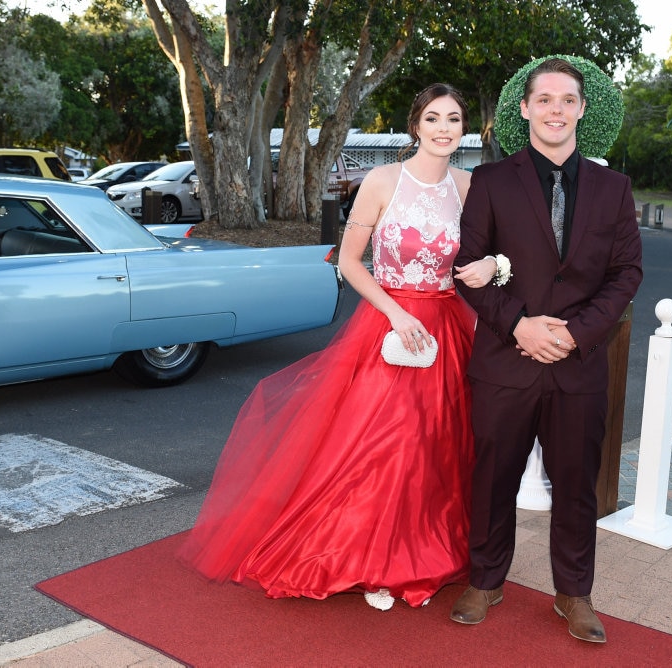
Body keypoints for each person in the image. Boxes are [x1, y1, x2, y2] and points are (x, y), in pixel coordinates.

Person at [177, 84, 498, 611]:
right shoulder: (381, 181)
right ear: (416, 125)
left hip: (446, 326)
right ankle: (372, 560)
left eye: (455, 119)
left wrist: (494, 266)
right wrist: (394, 313)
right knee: (381, 444)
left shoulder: (470, 187)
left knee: (438, 446)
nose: (444, 128)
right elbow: (349, 262)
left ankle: (416, 550)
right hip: (388, 323)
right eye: (434, 118)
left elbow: (490, 257)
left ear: (464, 130)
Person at [450, 57, 643, 643]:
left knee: (577, 483)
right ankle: (486, 580)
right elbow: (468, 270)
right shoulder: (489, 181)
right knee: (492, 479)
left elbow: (626, 273)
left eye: (567, 100)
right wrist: (520, 328)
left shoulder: (615, 188)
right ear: (527, 108)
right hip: (505, 363)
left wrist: (575, 334)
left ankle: (574, 593)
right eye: (545, 99)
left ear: (582, 109)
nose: (556, 109)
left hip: (578, 364)